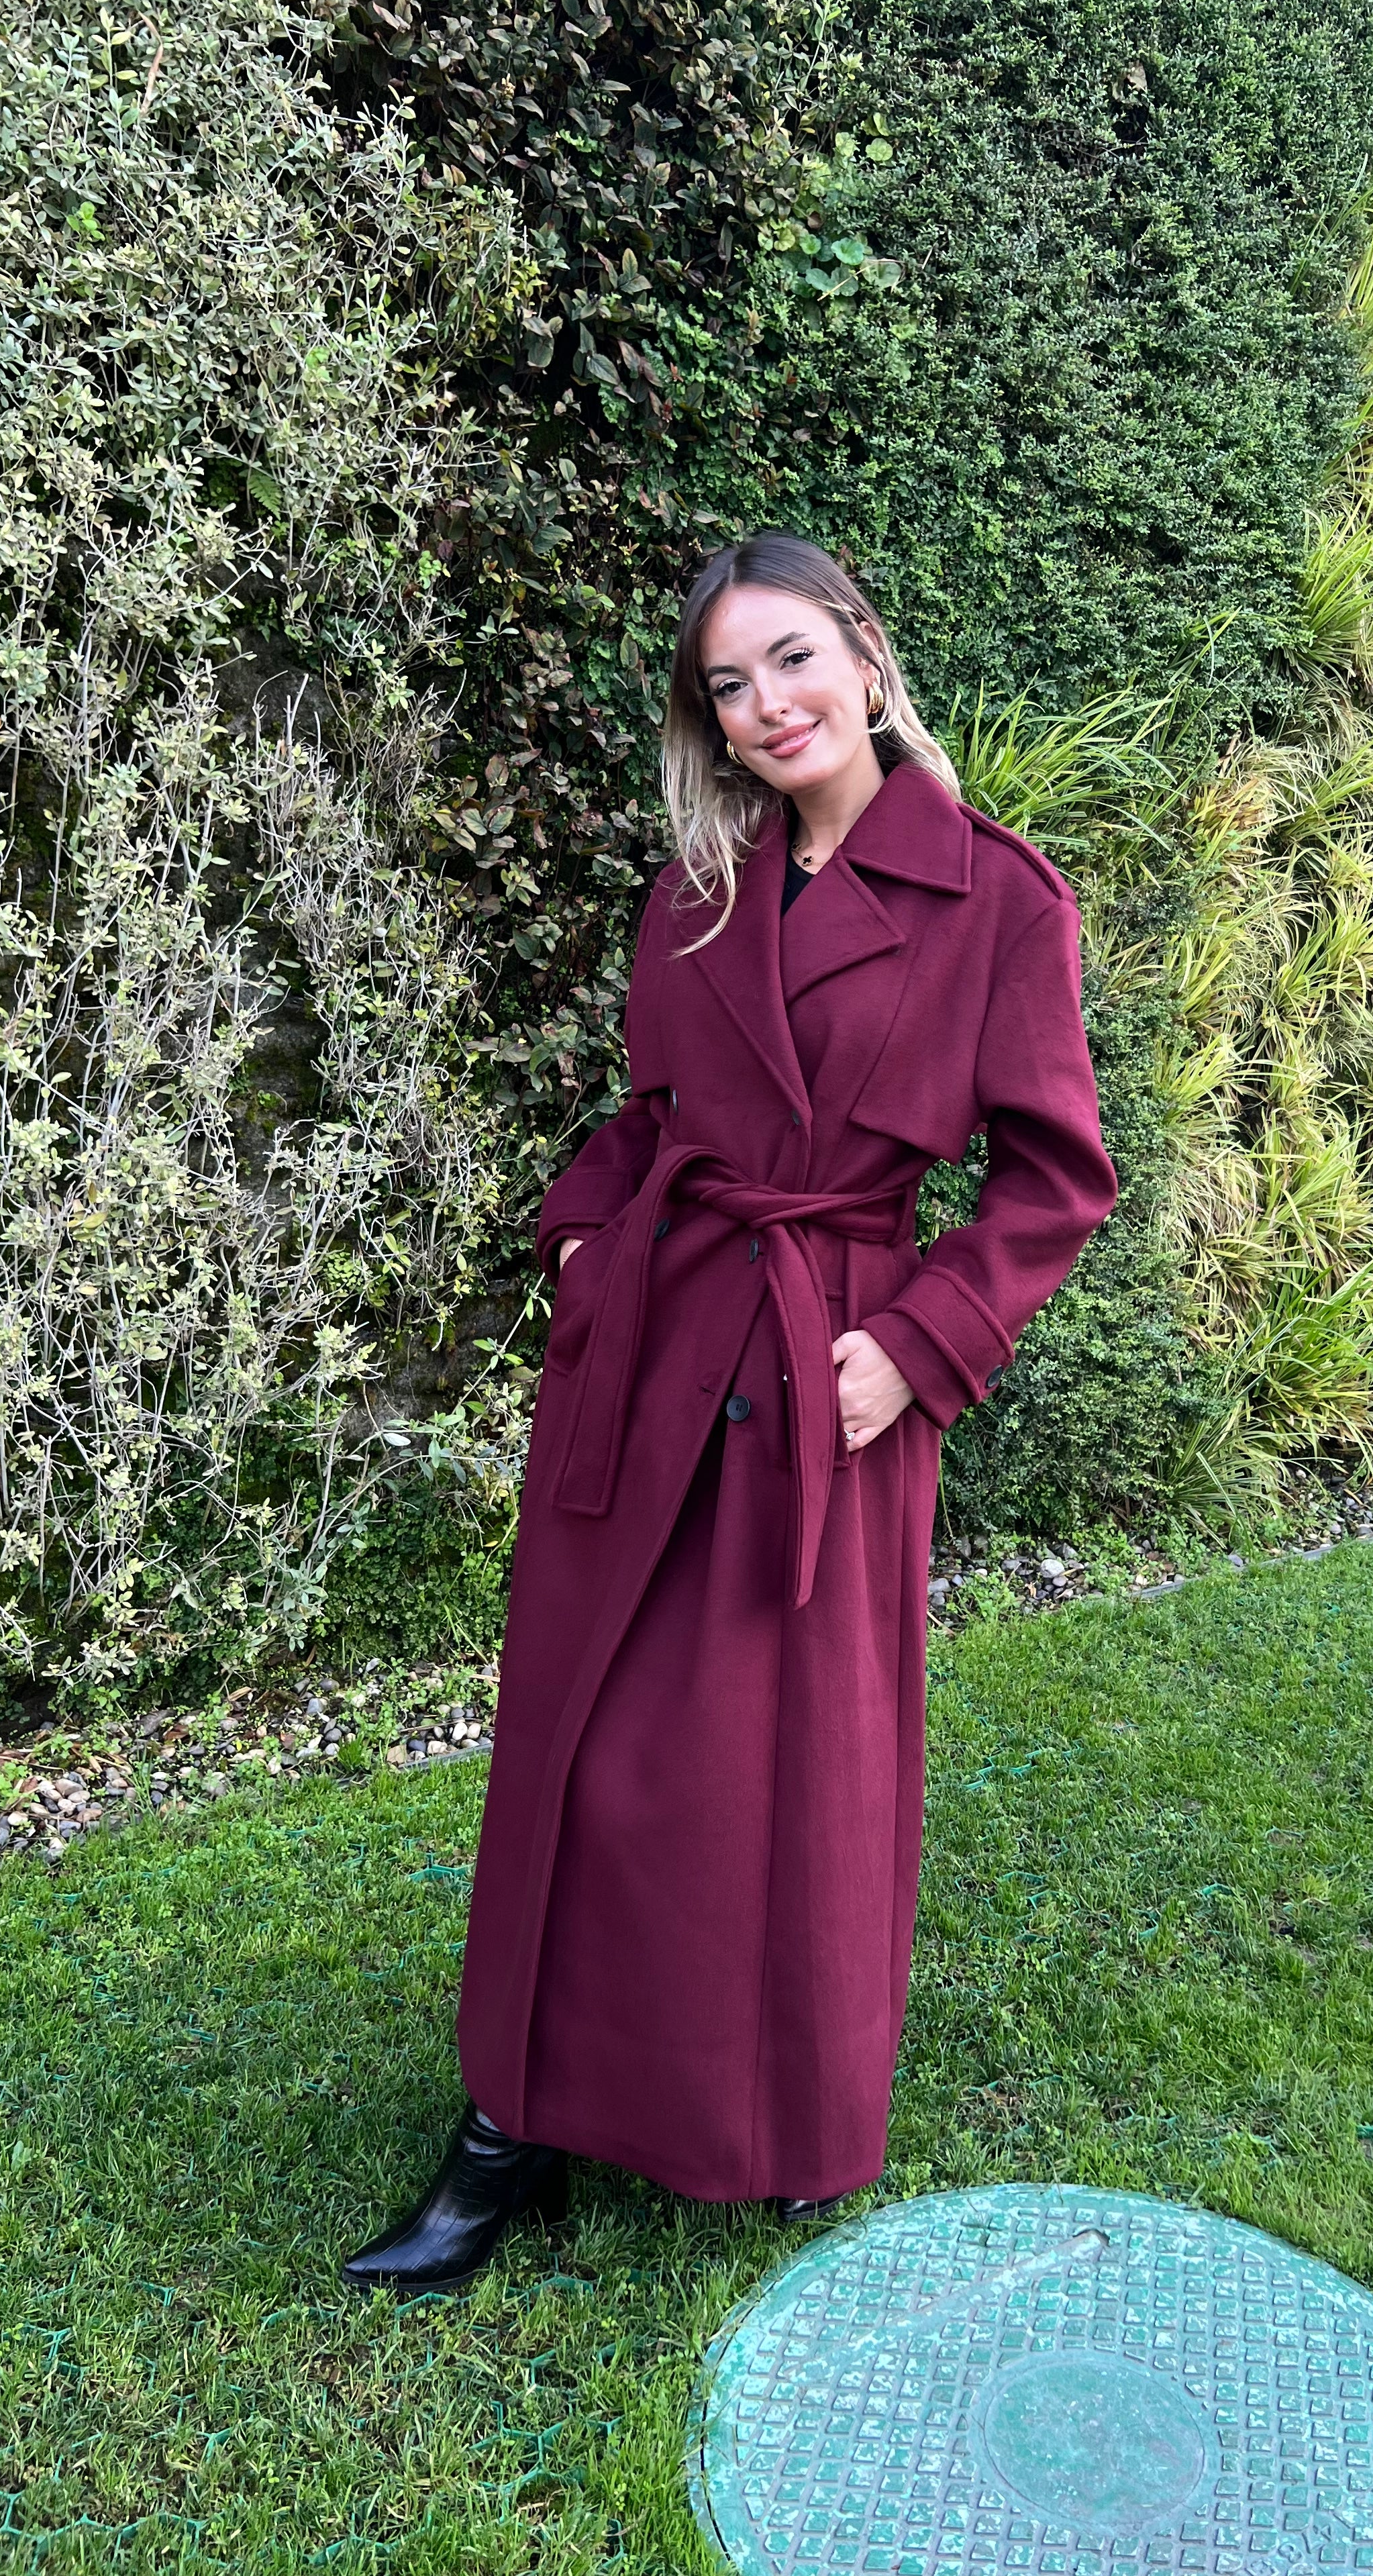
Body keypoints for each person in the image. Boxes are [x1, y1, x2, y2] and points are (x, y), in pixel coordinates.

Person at [341, 532, 1118, 2293]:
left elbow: (1056, 1179)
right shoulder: (695, 892)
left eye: (790, 661)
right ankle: (512, 2124)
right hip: (654, 1341)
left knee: (782, 1774)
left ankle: (777, 2116)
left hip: (830, 1370)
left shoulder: (998, 897)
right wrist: (583, 1232)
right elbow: (655, 1118)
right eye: (728, 686)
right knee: (585, 1741)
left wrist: (918, 1346)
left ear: (864, 653)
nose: (767, 706)